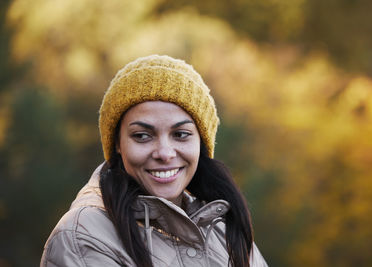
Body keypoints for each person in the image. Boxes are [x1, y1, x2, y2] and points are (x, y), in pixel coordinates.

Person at [40, 55, 268, 267]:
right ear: (117, 144)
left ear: (201, 143)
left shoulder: (223, 227)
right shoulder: (84, 234)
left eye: (180, 134)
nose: (165, 153)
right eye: (142, 136)